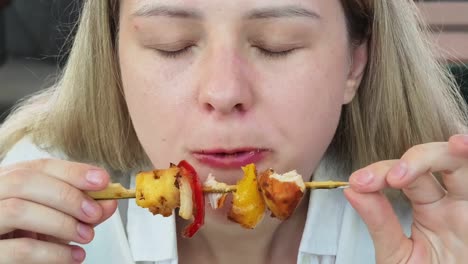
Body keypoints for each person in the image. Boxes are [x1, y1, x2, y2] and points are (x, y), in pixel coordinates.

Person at [0, 0, 467, 263]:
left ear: (355, 63)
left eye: (276, 46)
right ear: (114, 58)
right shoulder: (32, 216)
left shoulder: (442, 223)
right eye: (172, 45)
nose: (223, 92)